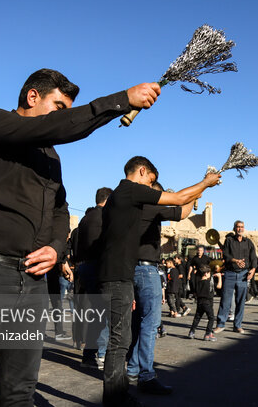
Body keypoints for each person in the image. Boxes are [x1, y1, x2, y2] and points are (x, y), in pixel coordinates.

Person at [0, 68, 162, 407]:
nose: (64, 117)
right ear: (32, 97)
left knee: (20, 392)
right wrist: (120, 101)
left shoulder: (50, 158)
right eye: (59, 107)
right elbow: (54, 127)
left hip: (32, 281)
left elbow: (60, 210)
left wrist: (56, 248)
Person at [93, 156, 220, 407]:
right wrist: (206, 183)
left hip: (120, 273)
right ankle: (116, 398)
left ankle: (119, 394)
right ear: (142, 172)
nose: (151, 188)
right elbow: (180, 200)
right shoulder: (131, 191)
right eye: (150, 182)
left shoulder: (122, 197)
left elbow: (180, 206)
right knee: (119, 342)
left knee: (121, 340)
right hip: (118, 274)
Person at [126, 181, 193, 395]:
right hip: (146, 270)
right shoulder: (151, 204)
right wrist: (196, 196)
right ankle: (146, 375)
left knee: (137, 323)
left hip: (132, 269)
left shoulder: (133, 207)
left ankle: (133, 370)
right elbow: (182, 211)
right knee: (150, 324)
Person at [77, 187, 112, 368]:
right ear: (108, 200)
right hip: (98, 269)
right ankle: (99, 353)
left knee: (97, 314)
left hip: (85, 268)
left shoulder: (85, 218)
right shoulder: (104, 217)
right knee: (104, 314)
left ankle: (90, 355)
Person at [214, 220, 257, 334]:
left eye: (242, 227)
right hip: (230, 273)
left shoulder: (248, 242)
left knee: (240, 301)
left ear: (244, 228)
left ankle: (237, 325)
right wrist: (236, 261)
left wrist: (252, 270)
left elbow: (253, 258)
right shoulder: (229, 241)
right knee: (225, 300)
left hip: (243, 274)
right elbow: (226, 255)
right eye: (238, 227)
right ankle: (220, 324)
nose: (240, 229)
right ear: (234, 228)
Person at [188, 265, 222, 341]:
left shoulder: (198, 282)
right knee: (211, 318)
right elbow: (219, 286)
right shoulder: (209, 283)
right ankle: (208, 334)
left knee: (197, 318)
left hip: (199, 302)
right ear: (206, 273)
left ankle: (192, 332)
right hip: (207, 302)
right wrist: (219, 277)